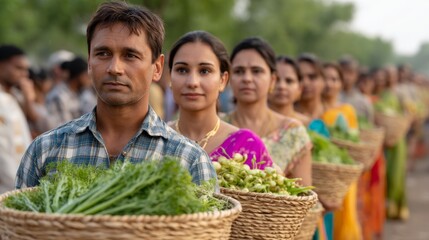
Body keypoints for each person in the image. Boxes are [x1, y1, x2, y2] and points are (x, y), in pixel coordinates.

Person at [16, 1, 216, 189]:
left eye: (130, 55)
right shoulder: (46, 150)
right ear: (89, 63)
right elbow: (18, 225)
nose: (114, 68)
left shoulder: (188, 160)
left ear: (157, 67)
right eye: (103, 54)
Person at [168, 31, 273, 169]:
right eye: (182, 70)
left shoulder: (247, 145)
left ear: (223, 80)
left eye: (204, 71)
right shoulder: (154, 139)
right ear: (170, 77)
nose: (192, 82)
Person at [223, 37, 312, 186]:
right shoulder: (217, 126)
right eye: (239, 71)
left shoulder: (292, 133)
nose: (247, 78)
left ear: (272, 80)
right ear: (229, 79)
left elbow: (304, 200)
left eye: (256, 71)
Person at [321, 62, 362, 240]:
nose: (329, 83)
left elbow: (353, 143)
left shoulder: (347, 110)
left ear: (340, 83)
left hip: (341, 174)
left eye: (334, 79)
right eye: (325, 78)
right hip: (319, 174)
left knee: (345, 218)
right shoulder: (314, 111)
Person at [0, 45, 32, 193]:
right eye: (18, 68)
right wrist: (14, 187)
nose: (24, 74)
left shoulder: (12, 96)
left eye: (26, 69)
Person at [45, 56, 95, 129]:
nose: (89, 79)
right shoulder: (59, 96)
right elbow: (64, 127)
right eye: (87, 75)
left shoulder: (80, 93)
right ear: (79, 75)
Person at [268, 55, 310, 125]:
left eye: (289, 81)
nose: (281, 86)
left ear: (300, 88)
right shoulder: (252, 123)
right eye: (276, 80)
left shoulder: (309, 126)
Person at [338, 56, 374, 123]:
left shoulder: (363, 102)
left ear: (357, 75)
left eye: (350, 72)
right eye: (343, 72)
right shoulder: (330, 97)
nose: (346, 77)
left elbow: (368, 126)